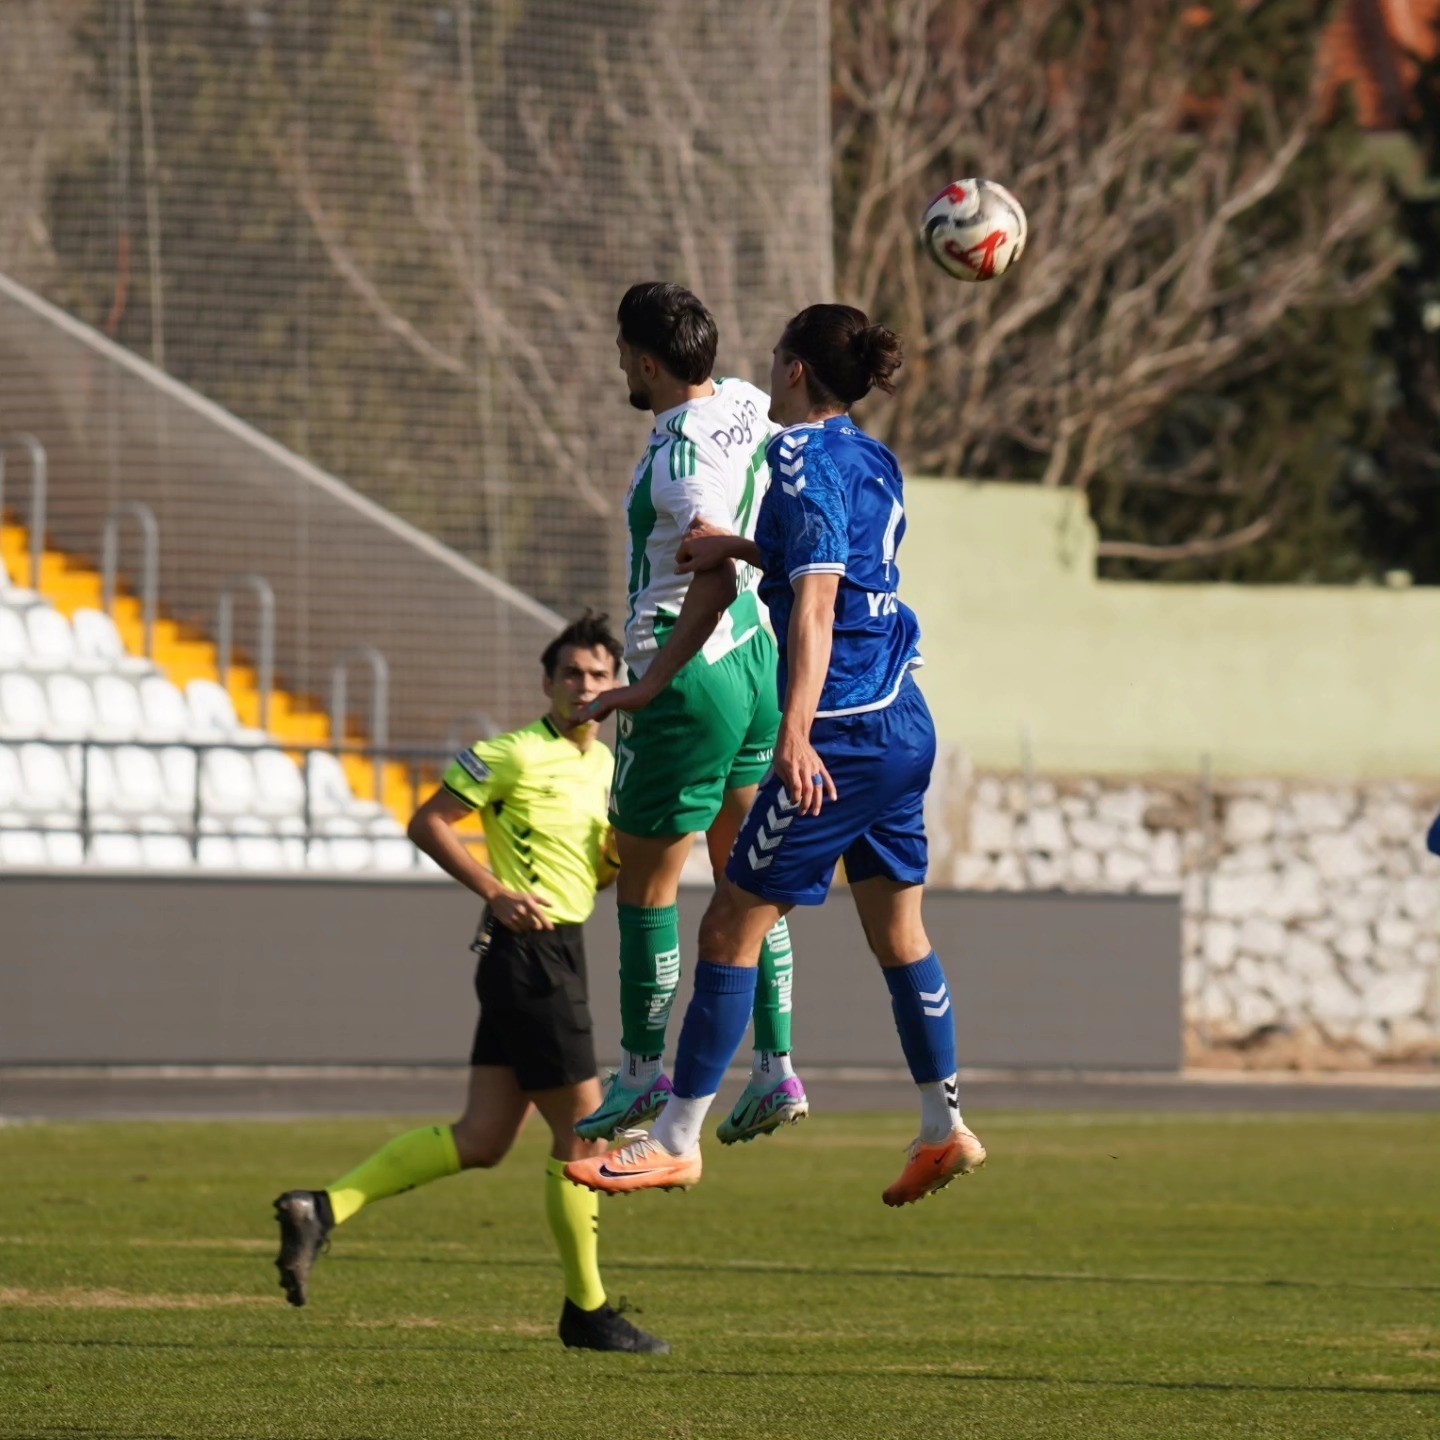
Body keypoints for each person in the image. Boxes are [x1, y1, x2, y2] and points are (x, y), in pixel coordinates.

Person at [567, 305, 987, 1207]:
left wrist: (796, 730)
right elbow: (822, 563)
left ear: (794, 371)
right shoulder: (874, 456)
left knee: (728, 925)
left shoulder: (796, 458)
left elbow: (817, 600)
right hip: (906, 720)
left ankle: (675, 1137)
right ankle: (942, 1124)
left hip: (838, 734)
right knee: (899, 935)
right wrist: (741, 546)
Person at [271, 612, 667, 1354]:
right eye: (571, 674)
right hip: (529, 954)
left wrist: (617, 861)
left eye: (599, 675)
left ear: (619, 686)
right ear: (547, 684)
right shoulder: (510, 754)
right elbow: (428, 822)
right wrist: (494, 889)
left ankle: (322, 1207)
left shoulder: (610, 767)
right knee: (585, 1135)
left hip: (561, 948)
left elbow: (601, 874)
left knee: (483, 1138)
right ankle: (587, 1309)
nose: (585, 686)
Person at [573, 282, 808, 1147]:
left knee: (648, 883)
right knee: (747, 881)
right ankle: (776, 1066)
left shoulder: (676, 456)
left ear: (643, 361)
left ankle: (639, 1074)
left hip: (691, 666)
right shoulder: (747, 401)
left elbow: (707, 559)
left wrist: (646, 684)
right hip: (755, 659)